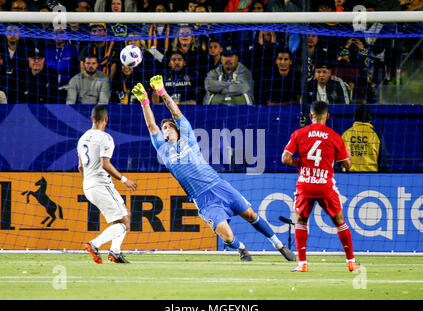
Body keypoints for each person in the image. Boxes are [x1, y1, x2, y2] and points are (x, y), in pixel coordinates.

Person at [131, 75, 296, 262]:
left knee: (251, 215)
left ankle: (279, 245)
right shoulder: (163, 149)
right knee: (227, 237)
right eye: (164, 129)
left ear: (177, 129)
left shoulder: (188, 139)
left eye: (169, 126)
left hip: (218, 185)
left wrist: (162, 93)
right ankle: (241, 248)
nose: (165, 129)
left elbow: (176, 114)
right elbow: (151, 126)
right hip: (203, 199)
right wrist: (145, 101)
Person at [281, 101, 360, 272]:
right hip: (325, 185)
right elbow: (347, 165)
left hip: (305, 184)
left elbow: (285, 159)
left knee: (301, 220)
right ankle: (351, 262)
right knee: (339, 221)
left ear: (310, 116)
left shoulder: (299, 133)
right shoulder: (334, 136)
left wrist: (300, 163)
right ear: (327, 116)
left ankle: (302, 264)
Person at [78, 105, 137, 264]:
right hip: (101, 184)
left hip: (88, 185)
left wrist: (89, 182)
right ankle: (94, 244)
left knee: (123, 215)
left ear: (91, 119)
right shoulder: (106, 138)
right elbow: (105, 164)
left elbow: (80, 166)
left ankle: (115, 252)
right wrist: (124, 179)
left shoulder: (82, 138)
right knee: (125, 223)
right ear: (106, 120)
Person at [341, 104, 389, 172]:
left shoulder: (346, 135)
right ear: (370, 119)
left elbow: (338, 159)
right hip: (371, 177)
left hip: (349, 176)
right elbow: (385, 160)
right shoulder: (376, 135)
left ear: (355, 118)